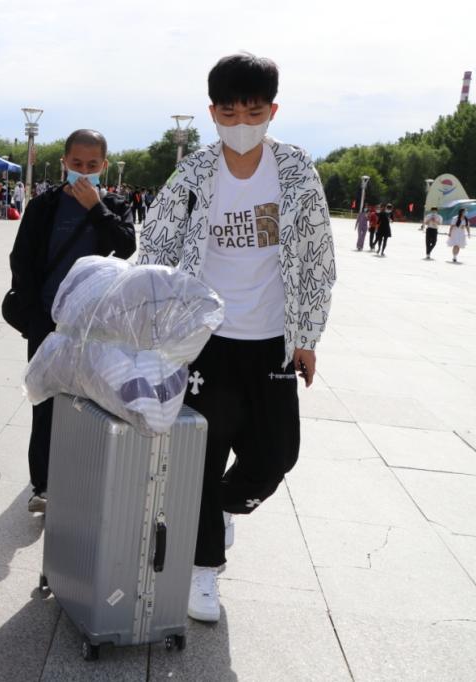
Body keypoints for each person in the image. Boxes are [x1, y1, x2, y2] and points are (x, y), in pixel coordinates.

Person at [138, 53, 335, 623]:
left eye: (253, 112)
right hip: (207, 340)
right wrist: (152, 324)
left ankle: (224, 506)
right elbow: (156, 245)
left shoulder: (294, 169)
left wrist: (307, 336)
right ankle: (204, 572)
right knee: (203, 456)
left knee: (276, 457)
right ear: (212, 113)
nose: (241, 123)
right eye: (229, 113)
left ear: (272, 111)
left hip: (271, 340)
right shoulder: (195, 172)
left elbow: (317, 256)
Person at [8, 129, 137, 514]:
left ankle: (82, 481)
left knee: (92, 403)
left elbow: (126, 246)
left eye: (92, 165)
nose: (83, 170)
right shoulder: (44, 205)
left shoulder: (113, 203)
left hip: (95, 327)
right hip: (48, 323)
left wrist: (96, 208)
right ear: (64, 162)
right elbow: (21, 259)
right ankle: (43, 485)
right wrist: (33, 316)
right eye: (77, 163)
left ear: (104, 165)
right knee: (45, 401)